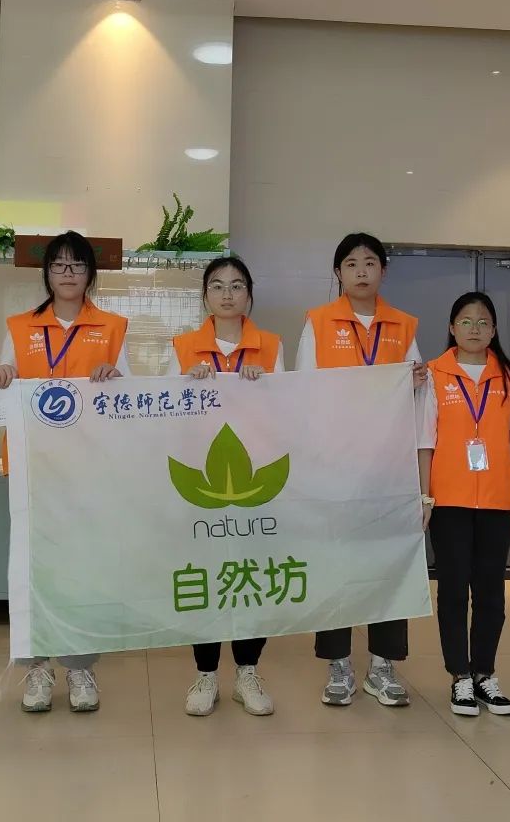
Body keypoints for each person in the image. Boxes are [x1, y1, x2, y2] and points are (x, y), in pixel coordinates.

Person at [0, 230, 129, 716]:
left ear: (91, 274)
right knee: (32, 568)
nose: (68, 273)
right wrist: (2, 376)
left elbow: (129, 396)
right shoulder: (20, 327)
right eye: (59, 265)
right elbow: (1, 385)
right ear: (47, 274)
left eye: (77, 265)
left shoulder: (113, 327)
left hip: (87, 469)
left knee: (81, 570)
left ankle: (80, 667)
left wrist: (115, 379)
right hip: (33, 467)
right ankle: (37, 668)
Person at [295, 232, 427, 707]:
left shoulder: (403, 326)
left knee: (389, 563)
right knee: (337, 564)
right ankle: (338, 664)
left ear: (383, 271)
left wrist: (415, 381)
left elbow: (417, 395)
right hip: (336, 467)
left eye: (370, 263)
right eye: (351, 264)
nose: (361, 271)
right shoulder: (317, 322)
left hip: (388, 468)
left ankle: (383, 665)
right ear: (338, 273)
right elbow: (305, 395)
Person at [167, 255, 283, 718]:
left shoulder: (271, 345)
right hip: (202, 481)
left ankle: (248, 672)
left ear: (249, 295)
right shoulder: (183, 347)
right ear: (205, 296)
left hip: (256, 480)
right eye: (217, 286)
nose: (227, 294)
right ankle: (206, 674)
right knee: (208, 574)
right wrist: (187, 385)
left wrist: (265, 387)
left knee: (252, 575)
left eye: (236, 286)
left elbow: (291, 408)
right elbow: (164, 413)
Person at [418, 292, 510, 717]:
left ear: (494, 330)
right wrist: (425, 496)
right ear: (452, 328)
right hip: (448, 500)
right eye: (466, 321)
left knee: (491, 592)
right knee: (453, 589)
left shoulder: (507, 379)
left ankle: (485, 673)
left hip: (497, 500)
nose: (474, 329)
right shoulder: (434, 374)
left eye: (483, 322)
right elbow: (424, 441)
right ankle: (460, 677)